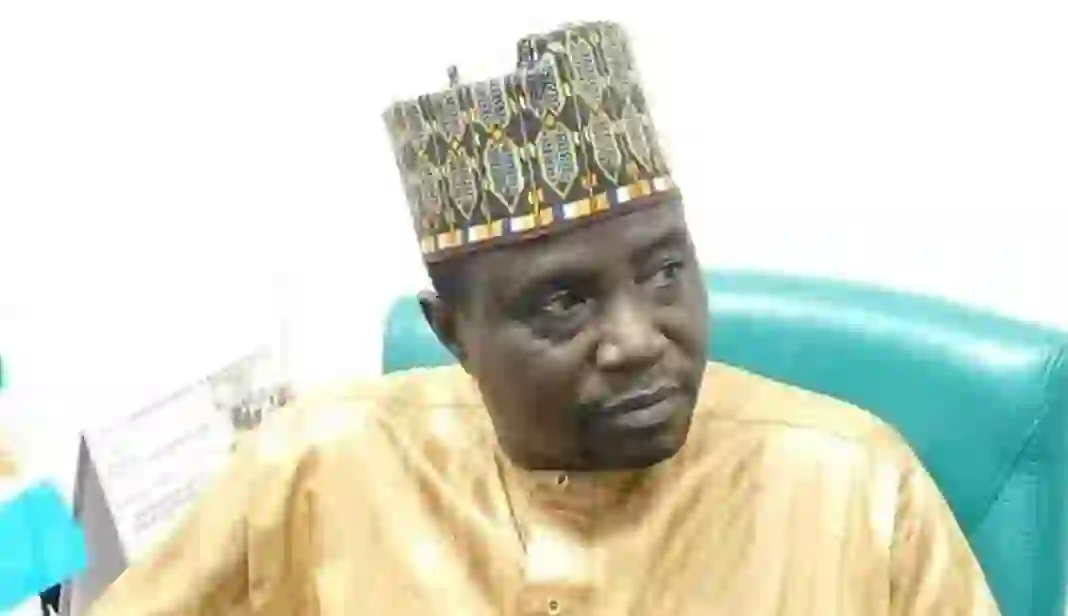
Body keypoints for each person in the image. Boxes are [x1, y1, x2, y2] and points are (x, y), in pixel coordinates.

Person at [88, 21, 1001, 615]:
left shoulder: (855, 490)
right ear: (453, 335)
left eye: (665, 271)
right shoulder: (321, 466)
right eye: (564, 302)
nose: (639, 339)